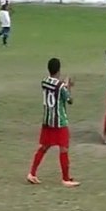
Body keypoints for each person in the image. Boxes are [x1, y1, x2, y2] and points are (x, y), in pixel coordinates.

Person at [27, 58, 80, 187]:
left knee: (44, 147)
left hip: (47, 120)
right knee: (64, 149)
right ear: (59, 69)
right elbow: (69, 100)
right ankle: (66, 178)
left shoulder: (44, 82)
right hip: (59, 121)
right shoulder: (61, 86)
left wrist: (64, 85)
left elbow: (55, 87)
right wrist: (68, 87)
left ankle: (32, 173)